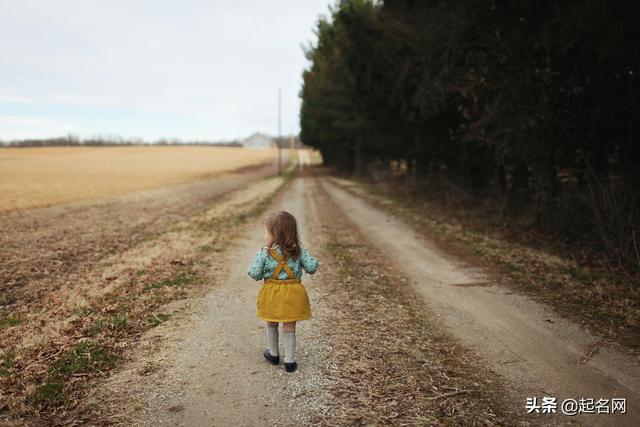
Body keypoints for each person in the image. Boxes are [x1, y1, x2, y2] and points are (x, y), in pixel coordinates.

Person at [247, 211, 318, 373]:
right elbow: (312, 267)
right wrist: (312, 260)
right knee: (289, 325)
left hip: (272, 292)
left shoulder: (265, 252)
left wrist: (258, 269)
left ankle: (273, 354)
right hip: (293, 293)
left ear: (276, 234)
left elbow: (254, 273)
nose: (265, 236)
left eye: (267, 232)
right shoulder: (298, 250)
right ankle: (290, 362)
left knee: (271, 321)